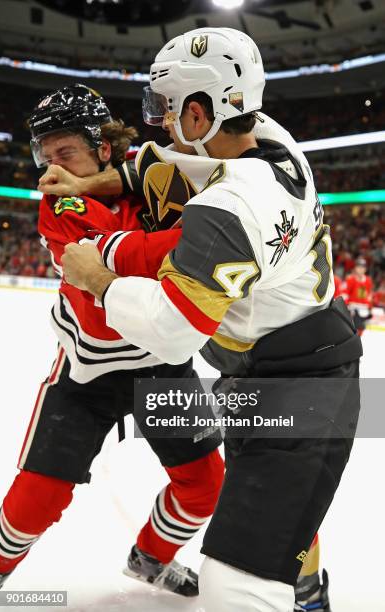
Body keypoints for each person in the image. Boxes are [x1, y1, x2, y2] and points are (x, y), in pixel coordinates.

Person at [60, 28, 363, 612]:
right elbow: (172, 166)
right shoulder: (267, 137)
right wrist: (95, 180)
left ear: (200, 113)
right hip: (285, 363)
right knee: (271, 505)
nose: (161, 125)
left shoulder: (231, 209)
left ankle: (299, 591)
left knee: (237, 587)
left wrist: (99, 277)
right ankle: (306, 585)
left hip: (300, 389)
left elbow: (176, 329)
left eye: (170, 111)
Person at [0, 84, 224, 596]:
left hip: (163, 365)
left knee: (205, 487)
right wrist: (199, 233)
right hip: (86, 372)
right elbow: (125, 259)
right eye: (44, 156)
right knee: (38, 497)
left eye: (65, 153)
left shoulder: (152, 169)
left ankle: (150, 558)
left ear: (103, 148)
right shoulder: (60, 204)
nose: (50, 170)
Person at [344, 257, 373, 336]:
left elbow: (369, 295)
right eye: (359, 267)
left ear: (365, 269)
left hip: (364, 309)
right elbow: (345, 294)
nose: (360, 269)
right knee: (353, 329)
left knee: (361, 329)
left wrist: (370, 308)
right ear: (355, 268)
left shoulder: (368, 281)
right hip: (353, 308)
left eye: (362, 267)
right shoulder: (350, 279)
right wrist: (347, 307)